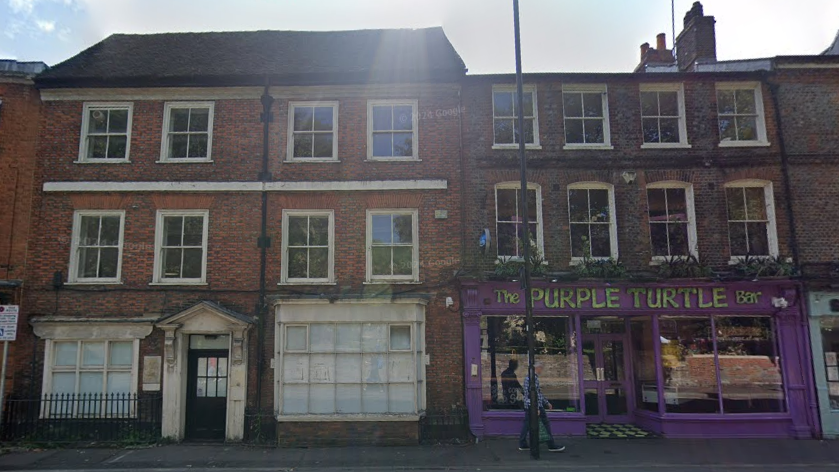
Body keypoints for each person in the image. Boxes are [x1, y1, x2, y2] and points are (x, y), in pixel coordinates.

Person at [518, 362, 565, 452]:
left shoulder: (532, 378)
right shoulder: (531, 379)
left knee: (527, 424)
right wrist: (536, 408)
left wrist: (546, 402)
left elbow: (537, 393)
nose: (541, 370)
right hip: (534, 406)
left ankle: (523, 443)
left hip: (532, 406)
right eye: (541, 368)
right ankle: (551, 445)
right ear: (537, 368)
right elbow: (531, 395)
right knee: (545, 424)